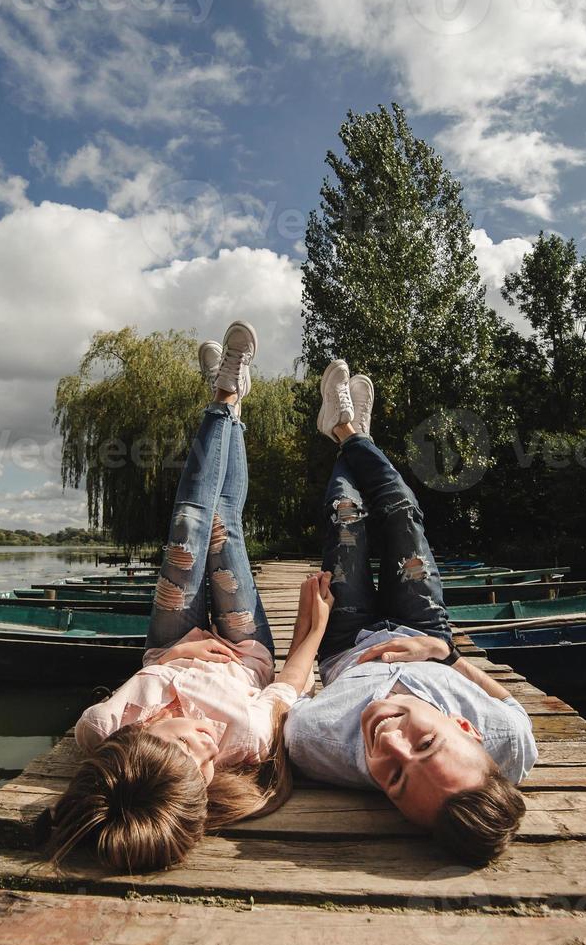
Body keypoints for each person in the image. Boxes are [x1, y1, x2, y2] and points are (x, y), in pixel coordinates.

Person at [41, 320, 330, 873]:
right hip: (245, 656)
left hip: (171, 650)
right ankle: (232, 404)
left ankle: (224, 396)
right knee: (223, 527)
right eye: (202, 771)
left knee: (189, 525)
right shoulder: (245, 742)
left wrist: (173, 657)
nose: (202, 750)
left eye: (178, 749)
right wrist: (312, 630)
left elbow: (140, 690)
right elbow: (289, 686)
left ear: (135, 744)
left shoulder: (100, 729)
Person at [284, 360, 538, 866]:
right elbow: (510, 703)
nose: (390, 742)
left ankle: (347, 431)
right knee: (400, 508)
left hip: (345, 638)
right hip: (423, 629)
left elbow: (285, 697)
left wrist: (308, 632)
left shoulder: (315, 744)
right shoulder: (510, 743)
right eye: (424, 742)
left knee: (346, 514)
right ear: (468, 730)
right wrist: (444, 655)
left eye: (395, 780)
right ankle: (349, 429)